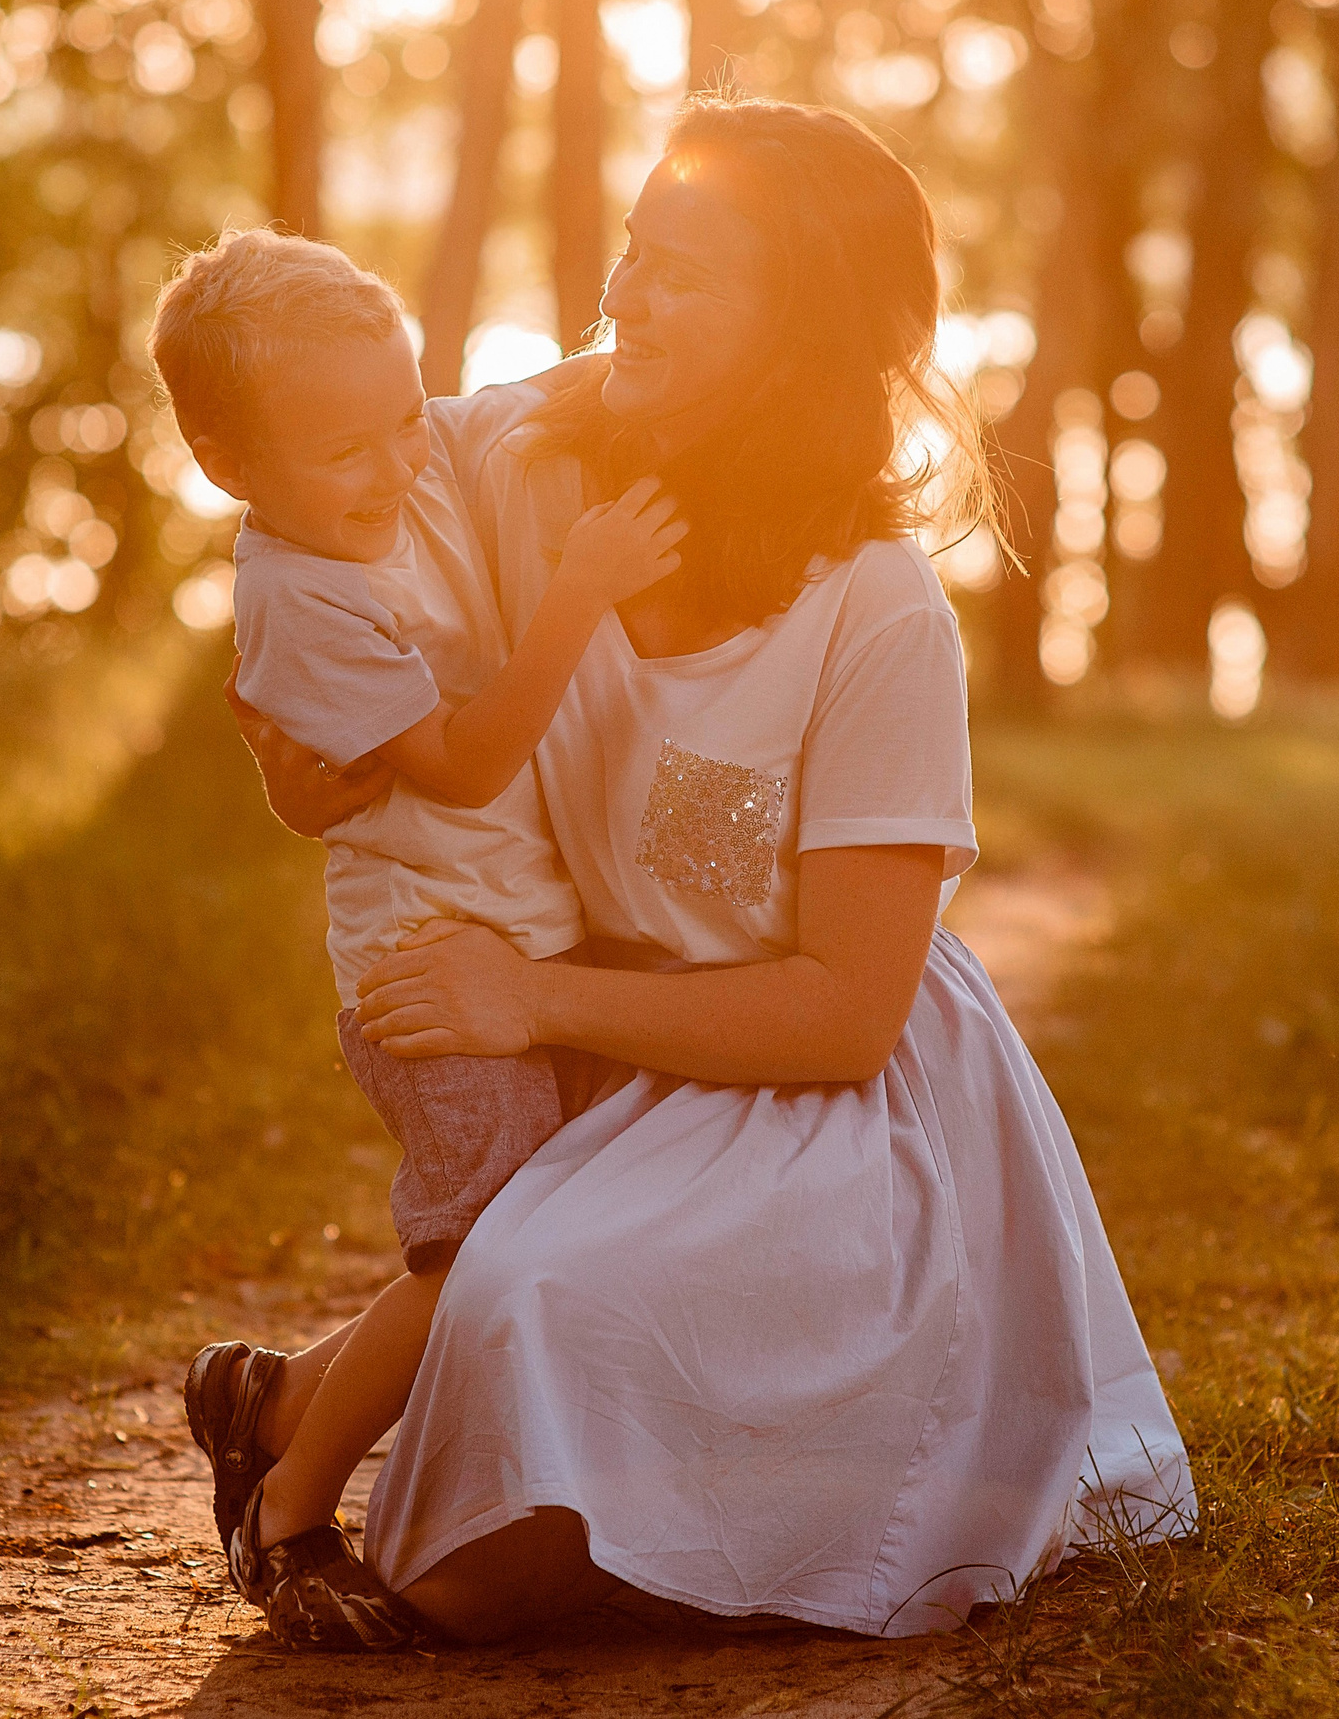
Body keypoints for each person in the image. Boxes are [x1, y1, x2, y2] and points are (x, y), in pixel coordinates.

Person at [232, 94, 1197, 1646]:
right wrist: (303, 755)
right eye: (632, 248)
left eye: (684, 272)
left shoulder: (879, 610)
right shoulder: (524, 460)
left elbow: (846, 1018)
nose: (626, 293)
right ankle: (298, 1414)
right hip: (620, 1079)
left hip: (833, 1116)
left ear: (799, 328)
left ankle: (297, 1409)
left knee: (522, 1380)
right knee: (505, 1402)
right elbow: (317, 521)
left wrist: (528, 991)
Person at [147, 229, 683, 1648]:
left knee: (551, 1223)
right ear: (231, 464)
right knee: (480, 1247)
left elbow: (531, 397)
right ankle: (286, 1509)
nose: (401, 465)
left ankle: (268, 1392)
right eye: (350, 450)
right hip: (427, 973)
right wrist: (580, 588)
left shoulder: (410, 448)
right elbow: (461, 765)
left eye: (407, 415)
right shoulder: (300, 592)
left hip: (525, 947)